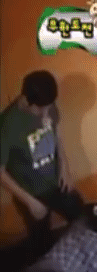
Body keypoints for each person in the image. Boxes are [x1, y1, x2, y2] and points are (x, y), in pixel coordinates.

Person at [0, 70, 83, 249]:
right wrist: (30, 202)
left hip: (56, 182)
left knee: (83, 219)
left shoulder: (47, 104)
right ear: (25, 99)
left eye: (49, 107)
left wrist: (65, 169)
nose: (46, 113)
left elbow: (57, 135)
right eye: (40, 108)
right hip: (30, 192)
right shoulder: (6, 125)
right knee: (43, 245)